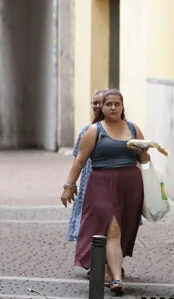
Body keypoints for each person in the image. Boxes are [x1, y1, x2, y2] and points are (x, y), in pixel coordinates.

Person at [61, 89, 150, 296]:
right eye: (108, 104)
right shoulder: (94, 130)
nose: (112, 108)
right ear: (102, 106)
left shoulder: (133, 128)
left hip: (131, 186)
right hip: (102, 183)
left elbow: (144, 161)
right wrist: (68, 187)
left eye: (116, 104)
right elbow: (80, 160)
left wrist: (144, 152)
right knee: (113, 230)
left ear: (122, 106)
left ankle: (110, 270)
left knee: (124, 231)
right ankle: (117, 279)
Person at [66, 89, 106, 242]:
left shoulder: (118, 130)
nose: (96, 106)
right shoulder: (86, 130)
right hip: (87, 183)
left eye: (100, 102)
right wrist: (71, 184)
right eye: (94, 102)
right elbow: (78, 159)